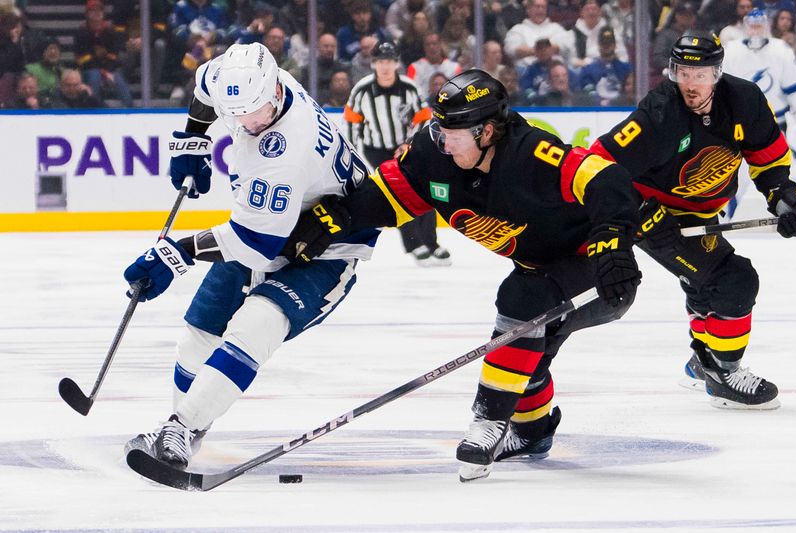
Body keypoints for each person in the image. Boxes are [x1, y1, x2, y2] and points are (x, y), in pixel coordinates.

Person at [283, 69, 642, 481]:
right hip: (539, 269)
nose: (441, 138)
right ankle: (533, 430)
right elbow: (385, 196)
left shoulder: (532, 154)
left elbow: (606, 178)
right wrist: (336, 217)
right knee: (529, 346)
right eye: (438, 126)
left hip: (599, 273)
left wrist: (613, 242)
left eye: (453, 130)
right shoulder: (434, 155)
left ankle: (490, 418)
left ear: (487, 131)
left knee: (521, 301)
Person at [122, 42, 379, 468]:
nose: (246, 123)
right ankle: (181, 426)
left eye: (254, 113)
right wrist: (193, 138)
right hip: (271, 221)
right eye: (236, 115)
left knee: (257, 322)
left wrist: (176, 252)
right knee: (198, 333)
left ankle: (182, 428)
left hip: (329, 243)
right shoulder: (243, 79)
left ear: (276, 91)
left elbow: (255, 243)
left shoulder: (286, 150)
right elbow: (205, 85)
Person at [591, 30, 796, 410]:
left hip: (702, 210)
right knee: (733, 279)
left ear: (717, 73)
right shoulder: (658, 113)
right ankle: (723, 372)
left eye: (700, 74)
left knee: (704, 279)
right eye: (682, 73)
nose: (690, 83)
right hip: (654, 215)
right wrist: (642, 214)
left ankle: (701, 360)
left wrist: (782, 196)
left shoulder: (745, 99)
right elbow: (598, 167)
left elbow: (767, 156)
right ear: (671, 71)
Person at [344, 40, 450, 266]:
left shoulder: (409, 88)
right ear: (373, 64)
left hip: (405, 147)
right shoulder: (362, 90)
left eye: (389, 61)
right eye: (380, 61)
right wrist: (352, 153)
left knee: (425, 190)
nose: (385, 66)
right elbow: (352, 123)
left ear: (396, 63)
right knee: (399, 191)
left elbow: (423, 118)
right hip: (376, 149)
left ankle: (431, 243)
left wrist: (411, 144)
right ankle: (415, 244)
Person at [723, 9, 796, 217]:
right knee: (730, 180)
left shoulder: (781, 50)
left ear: (767, 25)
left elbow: (794, 90)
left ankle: (792, 216)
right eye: (752, 24)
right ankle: (721, 221)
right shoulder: (731, 51)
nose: (756, 29)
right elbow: (721, 89)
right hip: (739, 128)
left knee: (782, 177)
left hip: (774, 128)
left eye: (760, 24)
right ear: (745, 25)